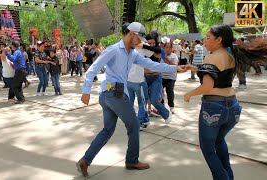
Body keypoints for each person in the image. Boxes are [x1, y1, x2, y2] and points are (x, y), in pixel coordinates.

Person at [76, 22, 188, 177]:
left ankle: (85, 160)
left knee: (108, 130)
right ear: (131, 34)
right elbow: (92, 69)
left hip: (110, 95)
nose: (141, 42)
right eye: (139, 38)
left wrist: (175, 68)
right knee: (134, 125)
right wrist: (86, 90)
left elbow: (151, 64)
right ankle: (132, 160)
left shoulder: (133, 53)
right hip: (115, 94)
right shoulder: (114, 50)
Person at [183, 24, 267, 180]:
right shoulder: (230, 55)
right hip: (232, 107)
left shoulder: (212, 57)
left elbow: (207, 86)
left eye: (208, 38)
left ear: (219, 40)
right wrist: (193, 68)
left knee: (207, 148)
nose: (204, 41)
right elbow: (218, 73)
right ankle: (228, 176)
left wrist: (189, 93)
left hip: (214, 108)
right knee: (219, 141)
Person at [161, 42, 179, 114]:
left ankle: (171, 107)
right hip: (162, 76)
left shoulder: (174, 56)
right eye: (166, 47)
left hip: (171, 77)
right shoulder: (161, 56)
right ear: (164, 48)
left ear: (172, 48)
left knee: (170, 92)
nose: (168, 49)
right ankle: (161, 106)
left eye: (169, 47)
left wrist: (166, 60)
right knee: (160, 92)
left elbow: (175, 65)